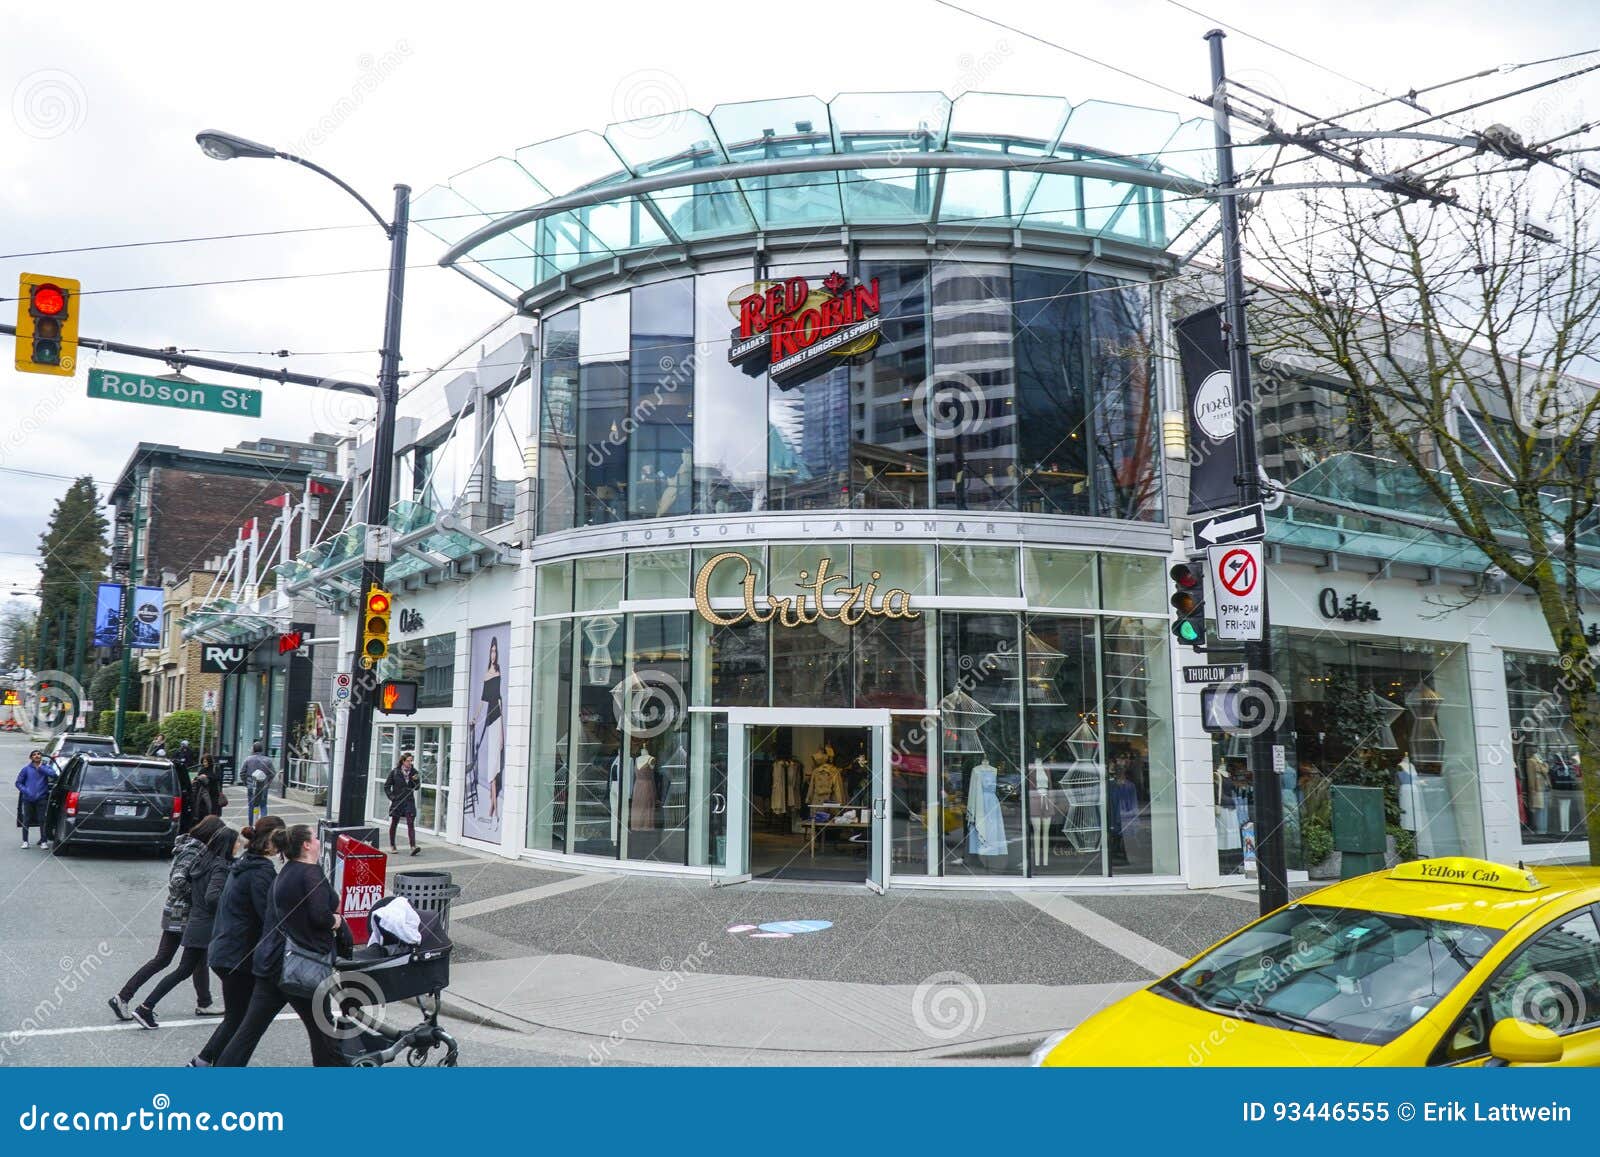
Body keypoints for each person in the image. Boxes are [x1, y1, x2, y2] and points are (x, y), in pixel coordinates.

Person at [215, 824, 348, 1067]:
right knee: (323, 1030)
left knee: (249, 1032)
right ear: (307, 845)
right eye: (316, 838)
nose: (319, 842)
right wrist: (336, 921)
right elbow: (320, 916)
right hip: (300, 966)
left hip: (271, 963)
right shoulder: (310, 873)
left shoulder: (286, 871)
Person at [191, 817, 287, 1067]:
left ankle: (204, 1062)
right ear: (270, 842)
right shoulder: (260, 872)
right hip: (237, 956)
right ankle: (208, 1063)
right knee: (241, 1018)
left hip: (225, 952)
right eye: (280, 838)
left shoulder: (244, 864)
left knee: (237, 1016)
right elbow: (268, 915)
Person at [110, 815, 223, 1022]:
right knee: (171, 959)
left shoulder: (191, 846)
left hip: (178, 911)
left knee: (194, 958)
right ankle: (124, 997)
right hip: (183, 912)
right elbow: (177, 880)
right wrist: (196, 893)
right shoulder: (194, 849)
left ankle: (204, 1002)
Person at [131, 823, 237, 1028]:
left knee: (188, 969)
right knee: (197, 969)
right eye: (236, 843)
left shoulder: (203, 863)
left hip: (196, 923)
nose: (238, 846)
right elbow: (212, 897)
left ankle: (147, 1007)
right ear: (227, 845)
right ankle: (145, 1008)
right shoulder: (219, 866)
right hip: (204, 927)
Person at [15, 749, 55, 849]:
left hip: (42, 798)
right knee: (26, 820)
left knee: (42, 820)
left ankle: (43, 841)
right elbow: (18, 783)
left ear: (41, 756)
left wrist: (41, 768)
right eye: (34, 755)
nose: (37, 756)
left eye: (38, 754)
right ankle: (25, 841)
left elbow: (53, 775)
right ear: (31, 758)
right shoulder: (26, 769)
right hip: (28, 799)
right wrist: (26, 791)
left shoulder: (46, 767)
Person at [384, 751, 422, 856]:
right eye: (408, 761)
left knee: (410, 823)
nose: (410, 763)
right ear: (403, 761)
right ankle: (392, 845)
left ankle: (413, 846)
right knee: (394, 822)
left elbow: (417, 787)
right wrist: (392, 797)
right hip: (398, 801)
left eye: (411, 761)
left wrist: (415, 781)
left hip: (409, 801)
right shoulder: (395, 772)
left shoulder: (414, 772)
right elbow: (386, 786)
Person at [240, 741, 275, 827]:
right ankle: (263, 825)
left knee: (251, 806)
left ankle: (251, 825)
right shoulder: (268, 760)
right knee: (263, 805)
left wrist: (246, 783)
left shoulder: (248, 759)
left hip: (251, 786)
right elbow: (273, 773)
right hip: (263, 786)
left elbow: (242, 773)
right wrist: (268, 783)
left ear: (253, 749)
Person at [190, 755, 224, 823]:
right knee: (205, 810)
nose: (204, 763)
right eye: (203, 762)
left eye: (206, 761)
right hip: (204, 794)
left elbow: (218, 778)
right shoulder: (202, 770)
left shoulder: (215, 768)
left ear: (209, 761)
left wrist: (207, 777)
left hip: (214, 794)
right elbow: (198, 778)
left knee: (214, 811)